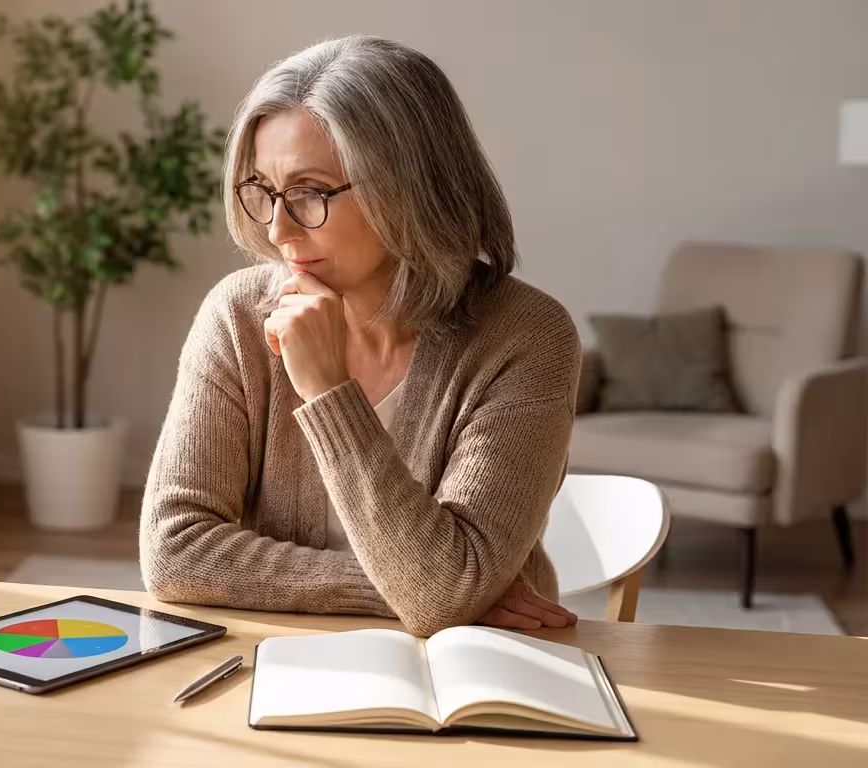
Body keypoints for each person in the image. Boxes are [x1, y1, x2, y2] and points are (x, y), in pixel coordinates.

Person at [139, 35, 582, 637]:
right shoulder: (238, 318)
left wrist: (327, 391)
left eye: (310, 193)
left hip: (478, 671)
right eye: (263, 191)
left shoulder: (527, 337)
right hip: (277, 662)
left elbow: (447, 599)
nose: (277, 230)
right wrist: (418, 588)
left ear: (409, 187)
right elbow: (174, 551)